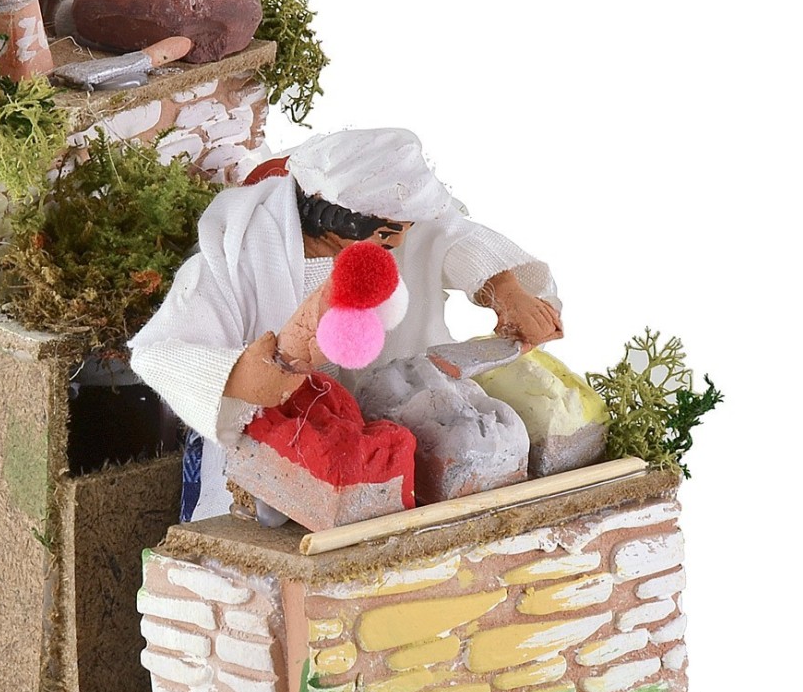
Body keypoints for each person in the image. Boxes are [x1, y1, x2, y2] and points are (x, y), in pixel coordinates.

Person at [128, 128, 562, 519]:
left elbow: (450, 233)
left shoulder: (385, 232)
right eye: (388, 233)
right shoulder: (234, 255)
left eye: (404, 230)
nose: (400, 243)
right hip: (270, 446)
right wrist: (247, 375)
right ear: (334, 215)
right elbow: (158, 352)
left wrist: (508, 292)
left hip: (375, 441)